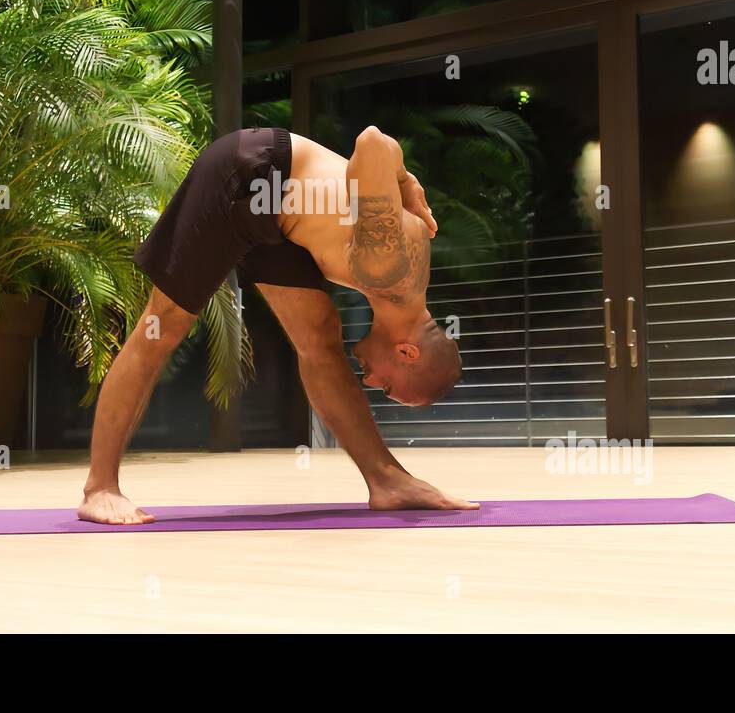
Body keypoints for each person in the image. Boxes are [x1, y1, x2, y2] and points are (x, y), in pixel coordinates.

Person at [78, 125, 473, 525]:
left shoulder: (399, 282)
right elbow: (371, 141)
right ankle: (100, 488)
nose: (371, 383)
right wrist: (403, 179)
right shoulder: (387, 266)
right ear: (407, 352)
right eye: (387, 385)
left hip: (282, 219)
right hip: (254, 171)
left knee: (318, 337)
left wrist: (402, 181)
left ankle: (387, 481)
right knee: (162, 326)